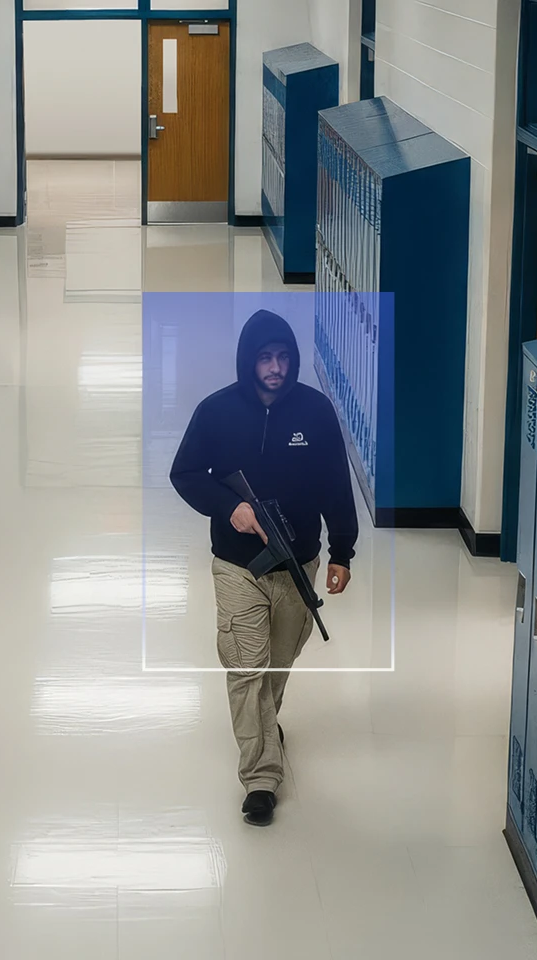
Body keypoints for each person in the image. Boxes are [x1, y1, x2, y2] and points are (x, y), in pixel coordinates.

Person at [169, 309, 359, 826]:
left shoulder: (316, 412)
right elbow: (185, 472)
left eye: (283, 357)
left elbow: (336, 487)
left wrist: (342, 551)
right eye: (264, 358)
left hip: (298, 563)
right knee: (246, 667)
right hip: (238, 565)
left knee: (276, 662)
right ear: (248, 361)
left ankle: (263, 725)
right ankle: (260, 777)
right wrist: (228, 506)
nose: (275, 368)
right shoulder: (217, 412)